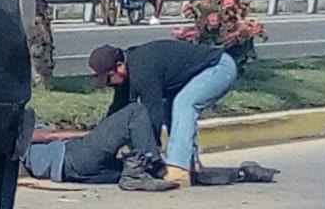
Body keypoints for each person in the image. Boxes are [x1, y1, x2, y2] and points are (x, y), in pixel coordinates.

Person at [88, 40, 239, 188]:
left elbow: (153, 113)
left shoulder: (142, 70)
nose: (108, 83)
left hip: (218, 67)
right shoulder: (128, 71)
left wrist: (149, 156)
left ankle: (178, 169)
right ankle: (191, 164)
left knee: (184, 104)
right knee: (173, 107)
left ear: (120, 66)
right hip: (196, 74)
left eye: (108, 78)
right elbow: (118, 110)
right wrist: (96, 140)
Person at [21, 102, 177, 191]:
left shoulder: (8, 140)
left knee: (131, 168)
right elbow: (49, 135)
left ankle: (135, 177)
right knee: (134, 112)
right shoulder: (18, 129)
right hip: (72, 155)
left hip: (72, 172)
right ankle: (156, 164)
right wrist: (89, 134)